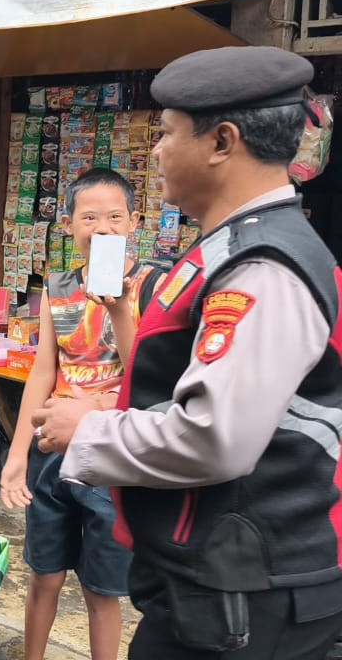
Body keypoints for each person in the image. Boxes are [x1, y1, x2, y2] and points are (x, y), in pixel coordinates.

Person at [33, 46, 342, 659]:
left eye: (168, 133)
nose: (155, 151)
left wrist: (91, 430)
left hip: (250, 587)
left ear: (221, 142)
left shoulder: (263, 265)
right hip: (213, 578)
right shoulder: (222, 252)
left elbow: (215, 435)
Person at [0, 169, 163, 660]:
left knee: (100, 590)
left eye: (115, 216)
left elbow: (147, 376)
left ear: (135, 221)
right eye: (89, 217)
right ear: (69, 224)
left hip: (111, 458)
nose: (103, 227)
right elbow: (43, 373)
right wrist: (17, 455)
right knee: (43, 575)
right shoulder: (59, 287)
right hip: (52, 453)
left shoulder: (151, 287)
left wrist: (119, 311)